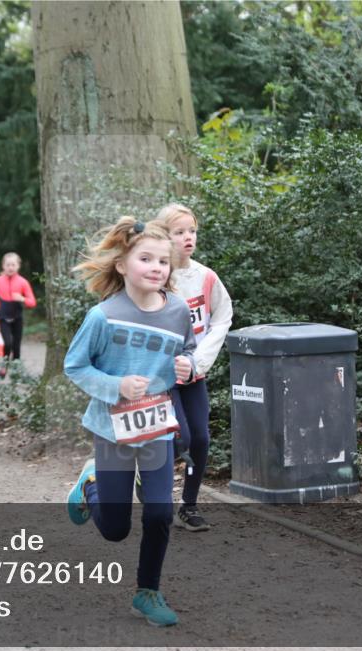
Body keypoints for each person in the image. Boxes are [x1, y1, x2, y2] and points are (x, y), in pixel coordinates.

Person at [64, 217, 195, 627]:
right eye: (146, 259)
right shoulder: (103, 316)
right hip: (113, 430)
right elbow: (75, 366)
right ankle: (90, 488)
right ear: (122, 264)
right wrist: (116, 384)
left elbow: (188, 354)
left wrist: (187, 367)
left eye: (164, 261)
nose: (157, 267)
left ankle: (147, 592)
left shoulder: (177, 312)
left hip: (157, 428)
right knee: (116, 529)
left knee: (159, 513)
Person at [157, 204, 233, 532]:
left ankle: (188, 506)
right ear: (164, 236)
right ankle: (149, 478)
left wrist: (198, 362)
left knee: (200, 438)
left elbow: (222, 317)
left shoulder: (206, 277)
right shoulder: (156, 277)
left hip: (194, 372)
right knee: (180, 436)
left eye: (192, 231)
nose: (188, 237)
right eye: (179, 232)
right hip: (161, 376)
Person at [0, 252, 37, 378]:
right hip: (3, 318)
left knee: (16, 346)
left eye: (13, 265)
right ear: (3, 266)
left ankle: (16, 371)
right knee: (7, 343)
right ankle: (4, 366)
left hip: (17, 318)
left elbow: (32, 302)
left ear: (18, 266)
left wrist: (22, 298)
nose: (10, 267)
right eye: (8, 265)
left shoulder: (23, 282)